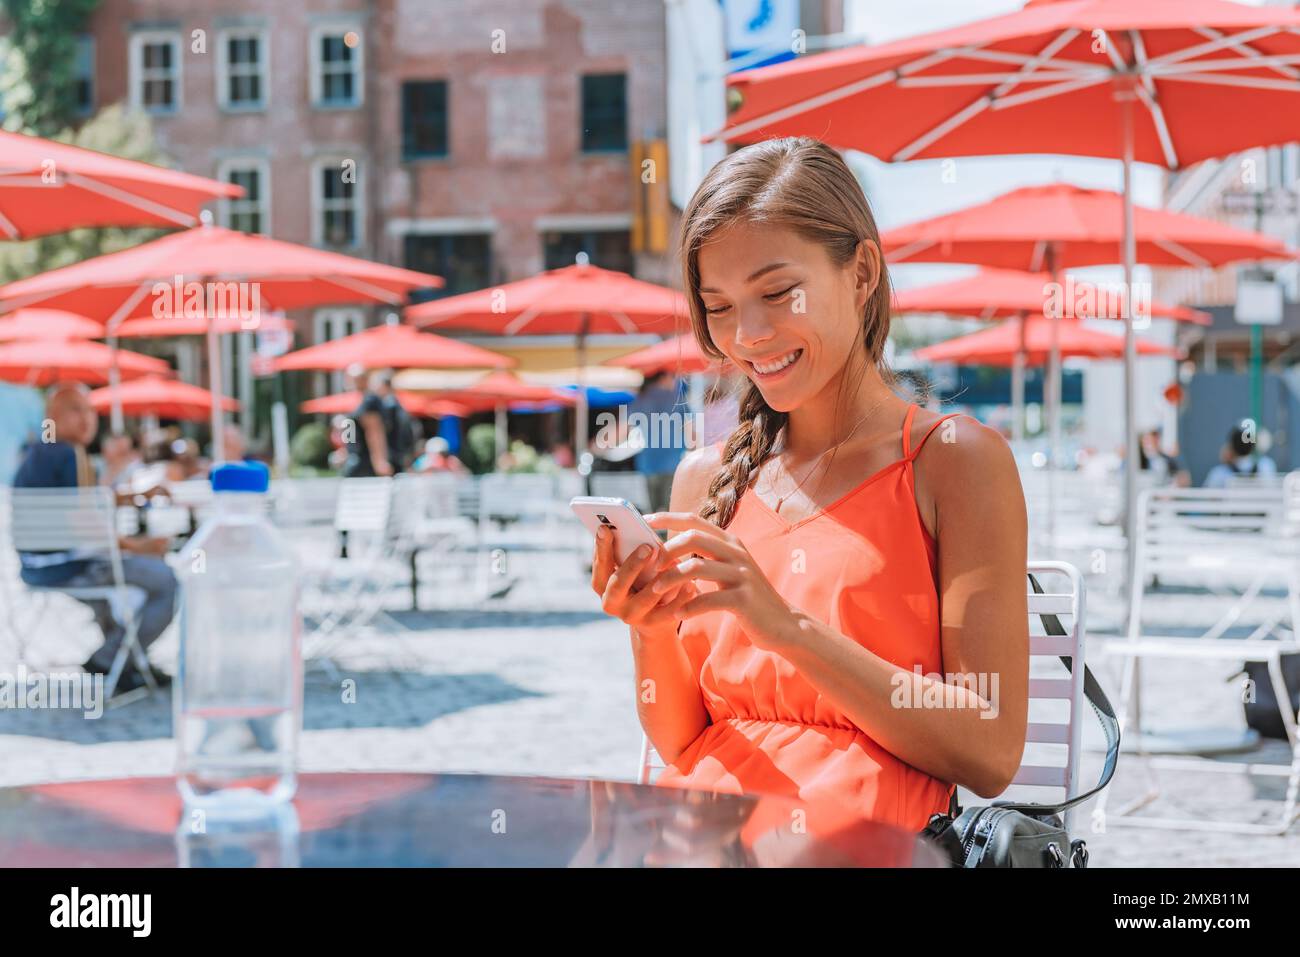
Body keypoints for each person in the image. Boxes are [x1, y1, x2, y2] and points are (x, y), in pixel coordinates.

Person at [588, 137, 1029, 832]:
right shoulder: (704, 478)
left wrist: (787, 628)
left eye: (775, 292)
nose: (748, 334)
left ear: (861, 273)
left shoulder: (953, 461)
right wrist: (647, 630)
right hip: (701, 832)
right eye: (720, 306)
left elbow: (991, 749)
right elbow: (680, 739)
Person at [11, 383, 176, 695]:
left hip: (34, 568)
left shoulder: (33, 452)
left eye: (90, 411)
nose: (86, 419)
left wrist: (134, 496)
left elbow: (81, 504)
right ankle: (109, 660)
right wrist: (140, 546)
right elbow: (86, 523)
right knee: (167, 581)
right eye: (75, 410)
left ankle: (126, 664)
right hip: (70, 568)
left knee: (115, 595)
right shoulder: (70, 454)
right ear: (51, 416)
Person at [628, 369, 689, 513]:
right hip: (672, 464)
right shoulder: (676, 398)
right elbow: (690, 427)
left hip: (648, 464)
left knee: (653, 515)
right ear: (664, 376)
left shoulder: (641, 398)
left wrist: (600, 442)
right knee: (671, 512)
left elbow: (625, 426)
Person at [341, 365, 393, 478]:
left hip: (365, 463)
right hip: (358, 459)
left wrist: (379, 461)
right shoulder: (359, 401)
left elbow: (374, 431)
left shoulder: (369, 400)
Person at [1204, 421, 1278, 487]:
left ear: (1231, 447)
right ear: (1253, 446)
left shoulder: (1219, 474)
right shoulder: (1267, 466)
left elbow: (1208, 499)